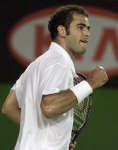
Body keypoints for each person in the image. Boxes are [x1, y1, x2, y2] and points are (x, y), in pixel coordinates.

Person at [2, 5, 108, 150]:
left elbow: (9, 107)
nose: (87, 33)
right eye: (81, 27)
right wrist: (90, 83)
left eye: (88, 28)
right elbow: (49, 106)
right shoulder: (60, 63)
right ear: (62, 30)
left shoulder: (36, 64)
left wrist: (54, 136)